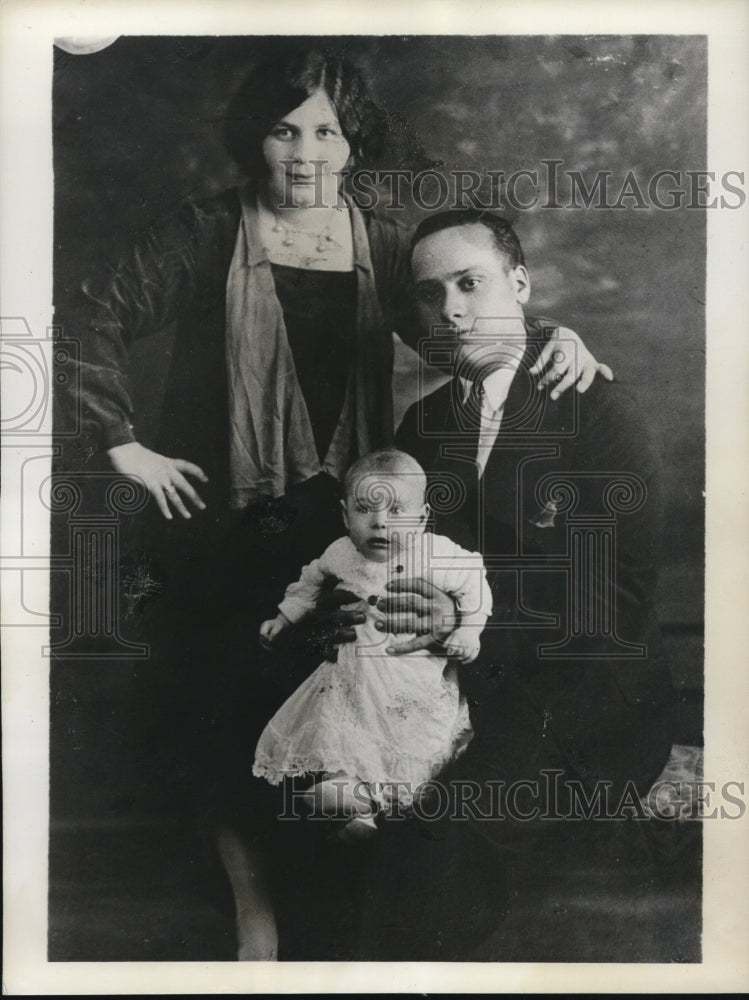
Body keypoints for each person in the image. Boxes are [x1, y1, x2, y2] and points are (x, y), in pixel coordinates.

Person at [57, 45, 610, 961]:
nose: (304, 152)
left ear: (352, 147)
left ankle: (340, 887)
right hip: (219, 516)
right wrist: (122, 444)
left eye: (327, 131)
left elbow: (459, 323)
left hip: (344, 518)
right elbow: (85, 321)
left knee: (332, 698)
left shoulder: (383, 243)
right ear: (253, 141)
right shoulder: (198, 232)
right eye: (283, 129)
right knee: (222, 703)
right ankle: (253, 913)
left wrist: (558, 338)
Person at [361, 209, 676, 960]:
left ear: (521, 284)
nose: (452, 310)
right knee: (341, 796)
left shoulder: (599, 411)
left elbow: (611, 607)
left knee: (451, 825)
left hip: (586, 693)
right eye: (430, 295)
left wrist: (460, 628)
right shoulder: (422, 425)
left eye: (470, 284)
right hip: (465, 682)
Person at [254, 448, 492, 833]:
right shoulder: (341, 553)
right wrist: (282, 618)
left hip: (410, 674)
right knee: (338, 727)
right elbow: (309, 583)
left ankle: (395, 804)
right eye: (366, 510)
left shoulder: (436, 554)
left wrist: (468, 630)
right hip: (353, 674)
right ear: (346, 515)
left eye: (396, 511)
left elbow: (474, 582)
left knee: (411, 737)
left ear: (422, 517)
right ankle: (350, 801)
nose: (380, 523)